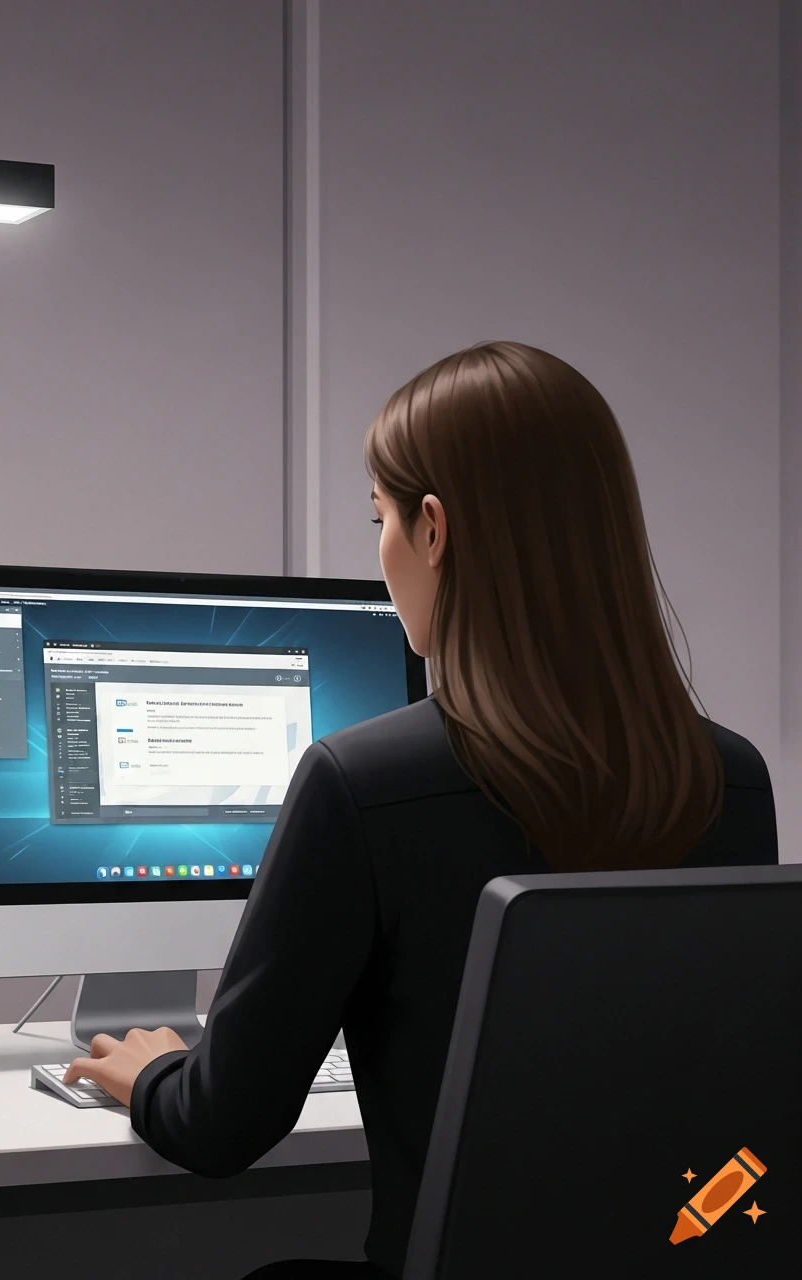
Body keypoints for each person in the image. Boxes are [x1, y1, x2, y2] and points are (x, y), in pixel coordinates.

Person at [64, 342, 778, 1278]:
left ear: (434, 529)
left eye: (380, 518)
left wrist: (154, 1072)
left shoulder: (360, 783)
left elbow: (224, 1125)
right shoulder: (731, 779)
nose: (383, 550)